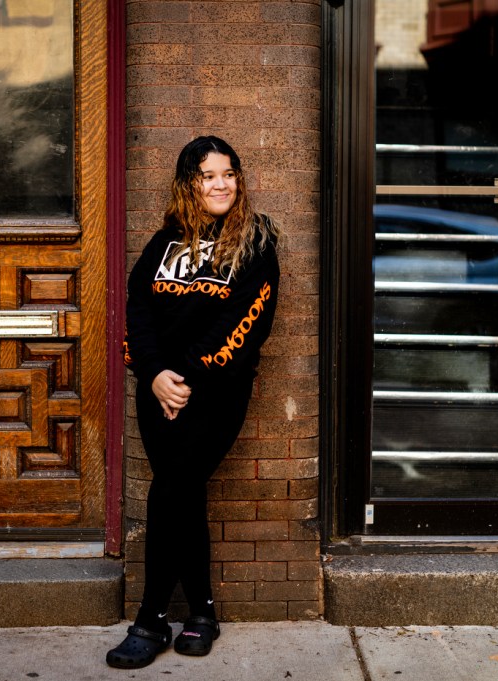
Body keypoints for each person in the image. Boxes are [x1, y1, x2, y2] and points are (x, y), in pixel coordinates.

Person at [106, 136, 280, 669]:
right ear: (189, 183)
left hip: (215, 395)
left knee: (171, 490)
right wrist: (154, 373)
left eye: (229, 173)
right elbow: (138, 310)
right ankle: (201, 613)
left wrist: (183, 379)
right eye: (208, 175)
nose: (221, 184)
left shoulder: (254, 243)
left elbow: (247, 325)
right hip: (157, 391)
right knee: (181, 494)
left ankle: (151, 618)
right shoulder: (164, 243)